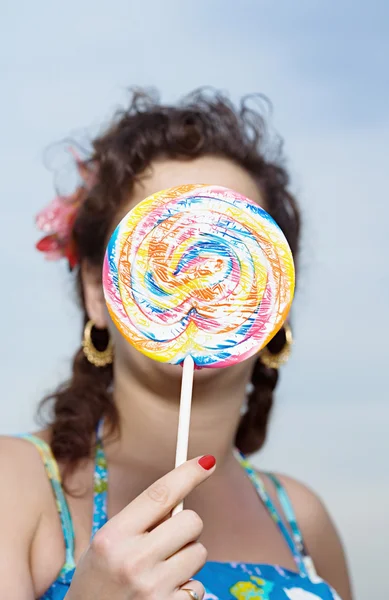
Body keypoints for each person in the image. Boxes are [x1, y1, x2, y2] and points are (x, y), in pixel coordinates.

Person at [0, 89, 353, 600]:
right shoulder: (15, 484)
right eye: (165, 241)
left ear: (277, 297)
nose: (199, 270)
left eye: (230, 242)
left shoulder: (303, 519)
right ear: (98, 294)